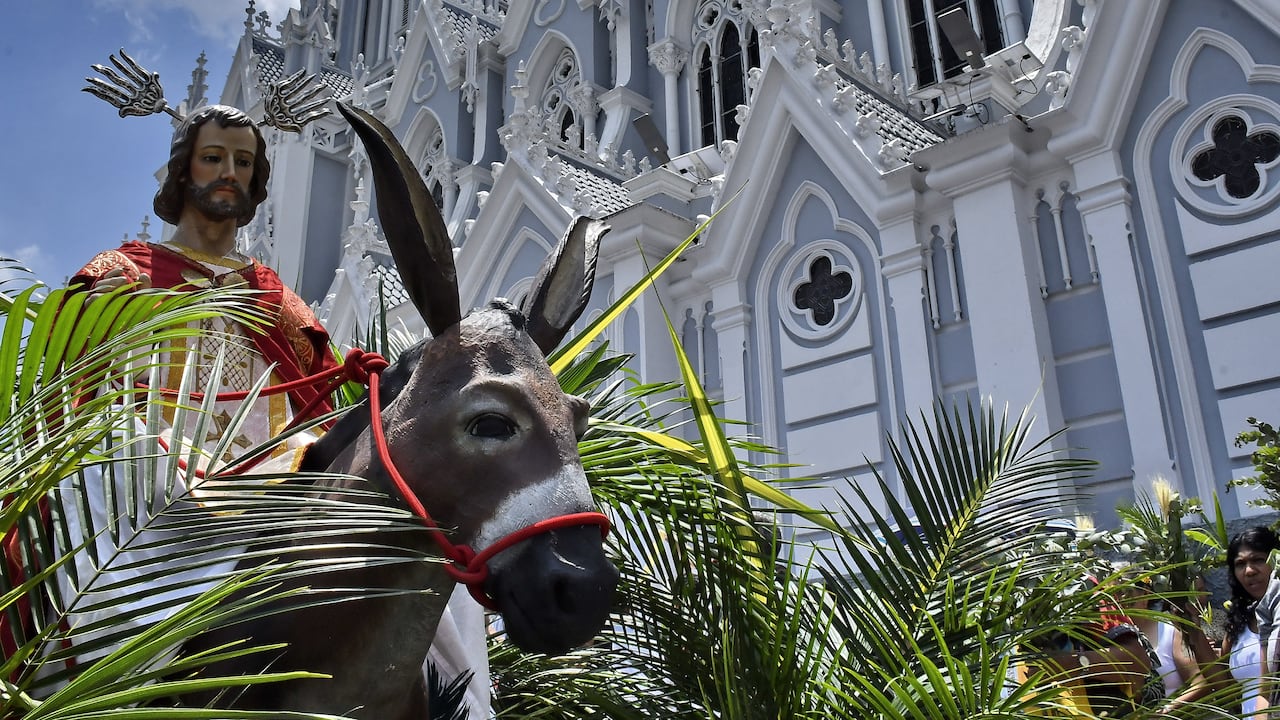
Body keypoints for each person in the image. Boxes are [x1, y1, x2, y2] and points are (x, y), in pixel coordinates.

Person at [60, 103, 491, 717]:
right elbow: (75, 384)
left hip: (271, 478)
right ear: (183, 171)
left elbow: (320, 402)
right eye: (213, 158)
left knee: (419, 525)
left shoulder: (273, 298)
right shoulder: (124, 275)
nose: (228, 173)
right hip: (150, 468)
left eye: (243, 162)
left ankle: (458, 699)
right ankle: (103, 669)